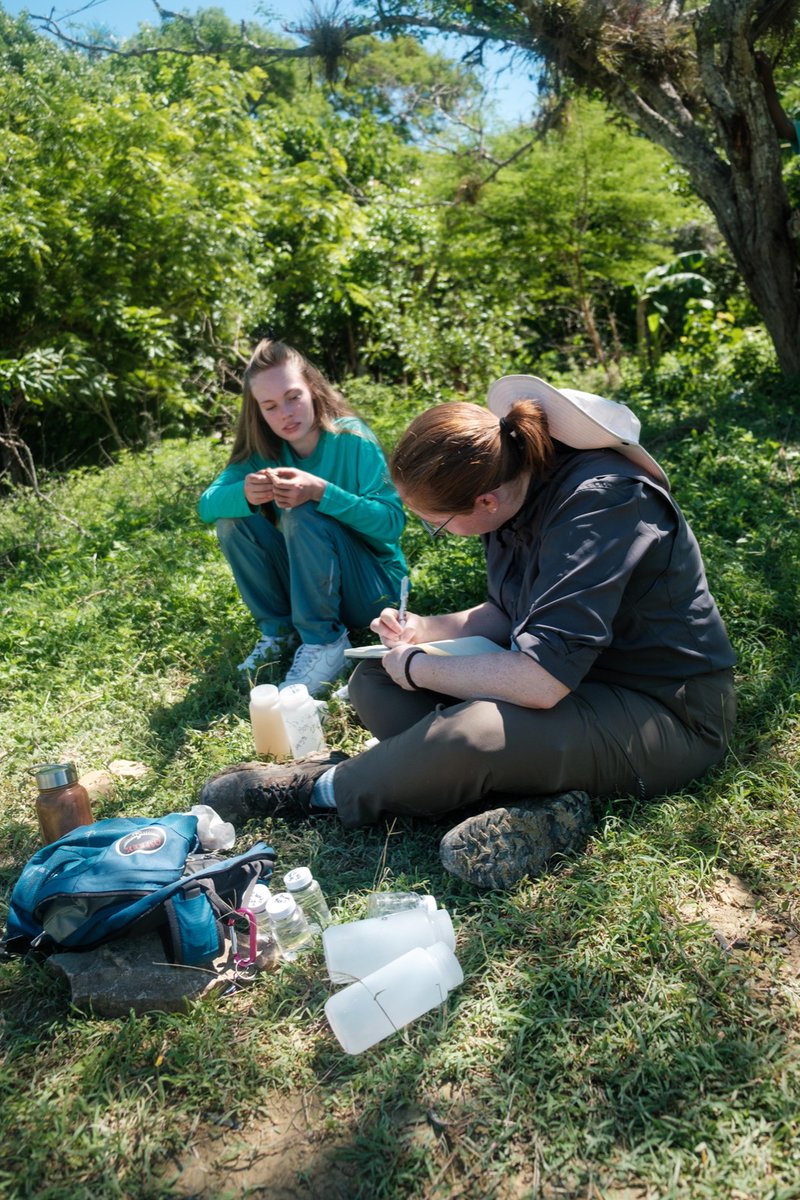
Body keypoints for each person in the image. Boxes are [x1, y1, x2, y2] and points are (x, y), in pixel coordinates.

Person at [204, 376, 736, 890]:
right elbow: (508, 612)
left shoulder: (602, 503)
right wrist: (421, 631)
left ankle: (323, 788)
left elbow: (542, 680)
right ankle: (536, 800)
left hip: (664, 711)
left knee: (471, 730)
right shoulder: (512, 486)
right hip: (578, 685)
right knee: (375, 682)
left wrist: (421, 666)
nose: (441, 531)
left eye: (438, 522)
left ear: (484, 501)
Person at [198, 339, 407, 693]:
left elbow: (391, 523)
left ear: (312, 388)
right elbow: (207, 504)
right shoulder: (264, 451)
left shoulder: (353, 439)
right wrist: (245, 494)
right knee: (232, 519)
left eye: (293, 397)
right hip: (310, 587)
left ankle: (325, 642)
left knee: (301, 508)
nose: (285, 414)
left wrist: (323, 492)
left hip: (372, 591)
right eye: (270, 406)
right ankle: (279, 631)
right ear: (259, 412)